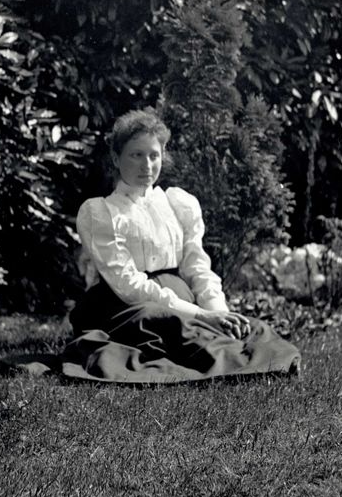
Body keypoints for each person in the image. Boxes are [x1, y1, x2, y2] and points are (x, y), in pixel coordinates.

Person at [61, 109, 301, 383]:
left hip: (180, 297)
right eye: (136, 155)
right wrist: (199, 314)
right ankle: (237, 363)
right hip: (126, 305)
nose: (147, 166)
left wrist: (217, 311)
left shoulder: (176, 203)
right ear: (116, 158)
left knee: (242, 328)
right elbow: (127, 284)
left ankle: (245, 355)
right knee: (169, 323)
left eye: (154, 155)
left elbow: (196, 264)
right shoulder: (102, 212)